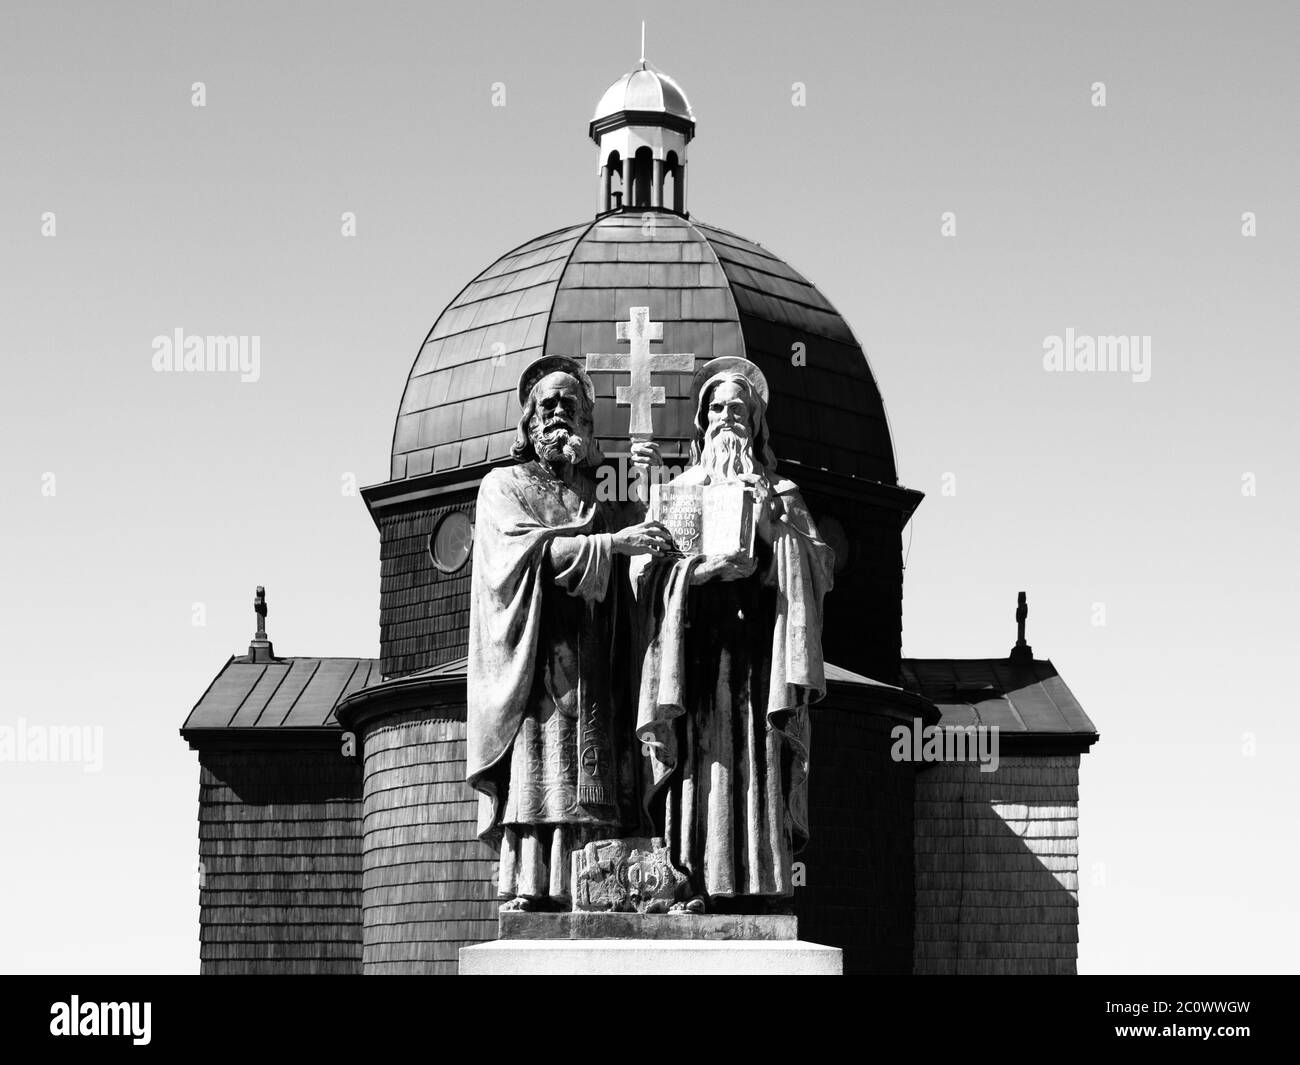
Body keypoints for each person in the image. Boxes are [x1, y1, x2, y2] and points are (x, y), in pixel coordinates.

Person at [466, 355, 670, 911]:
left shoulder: (593, 501)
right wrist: (611, 544)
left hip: (594, 663)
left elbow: (638, 559)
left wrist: (645, 492)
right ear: (528, 423)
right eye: (547, 405)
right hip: (537, 660)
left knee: (598, 776)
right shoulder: (502, 485)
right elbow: (527, 553)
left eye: (570, 405)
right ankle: (537, 884)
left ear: (585, 424)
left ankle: (601, 884)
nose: (558, 413)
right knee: (543, 766)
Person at [631, 357, 835, 911]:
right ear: (702, 419)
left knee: (756, 761)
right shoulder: (678, 492)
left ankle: (760, 886)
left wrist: (773, 533)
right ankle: (691, 880)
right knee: (701, 764)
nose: (727, 418)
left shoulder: (781, 491)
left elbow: (819, 572)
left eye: (739, 409)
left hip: (758, 654)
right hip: (693, 651)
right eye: (717, 408)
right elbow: (644, 579)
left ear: (756, 421)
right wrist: (696, 572)